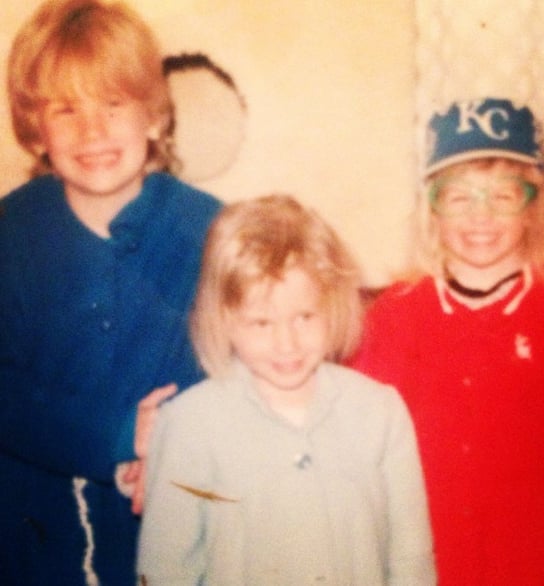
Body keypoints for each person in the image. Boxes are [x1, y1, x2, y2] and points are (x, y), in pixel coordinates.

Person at [0, 1, 222, 584]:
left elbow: (236, 362)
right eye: (66, 110)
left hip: (169, 525)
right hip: (34, 534)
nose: (91, 132)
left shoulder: (210, 230)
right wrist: (119, 434)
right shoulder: (12, 233)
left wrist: (179, 444)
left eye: (113, 105)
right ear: (35, 127)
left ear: (152, 116)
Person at [137, 194, 436, 585]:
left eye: (305, 317)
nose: (287, 344)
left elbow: (411, 556)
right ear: (225, 319)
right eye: (261, 323)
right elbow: (165, 568)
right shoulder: (189, 424)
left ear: (331, 306)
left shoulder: (380, 412)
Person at [349, 97, 544, 585]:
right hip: (430, 541)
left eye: (503, 196)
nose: (482, 217)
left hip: (535, 543)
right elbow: (359, 418)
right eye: (460, 197)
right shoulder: (397, 311)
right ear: (433, 208)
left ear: (533, 205)